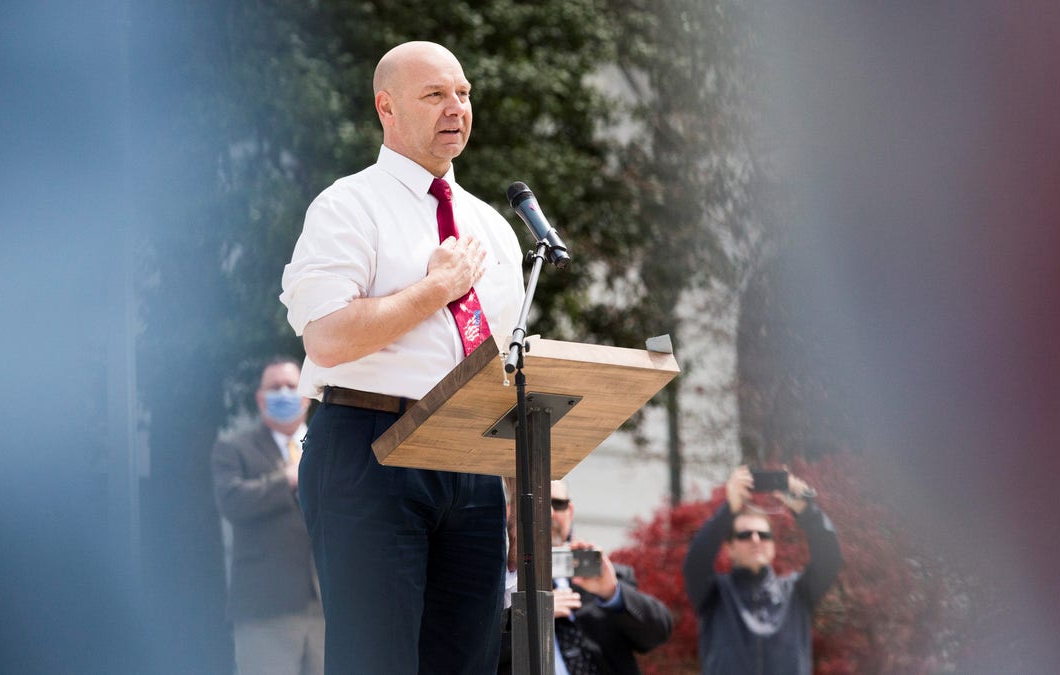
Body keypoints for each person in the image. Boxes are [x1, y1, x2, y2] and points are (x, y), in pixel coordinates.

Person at [278, 41, 527, 675]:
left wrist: (517, 480)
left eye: (464, 94)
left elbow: (493, 362)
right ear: (387, 108)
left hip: (468, 457)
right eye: (435, 94)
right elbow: (328, 338)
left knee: (467, 661)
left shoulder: (491, 230)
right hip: (368, 446)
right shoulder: (347, 207)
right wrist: (436, 289)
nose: (456, 108)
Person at [211, 357, 324, 675]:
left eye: (291, 386)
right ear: (260, 399)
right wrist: (288, 477)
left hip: (327, 605)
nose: (284, 393)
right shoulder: (233, 448)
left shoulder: (329, 446)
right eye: (275, 388)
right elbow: (232, 501)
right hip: (266, 609)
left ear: (307, 394)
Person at [499, 480, 674, 675]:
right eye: (538, 504)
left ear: (570, 511)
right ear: (512, 513)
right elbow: (480, 652)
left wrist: (612, 594)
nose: (548, 513)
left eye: (558, 504)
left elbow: (658, 633)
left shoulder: (604, 578)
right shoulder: (500, 587)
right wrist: (527, 616)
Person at [683, 466, 843, 674]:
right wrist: (729, 510)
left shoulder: (797, 592)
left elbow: (829, 558)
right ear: (729, 548)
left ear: (773, 547)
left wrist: (806, 510)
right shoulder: (714, 595)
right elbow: (695, 562)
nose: (755, 540)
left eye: (763, 535)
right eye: (745, 535)